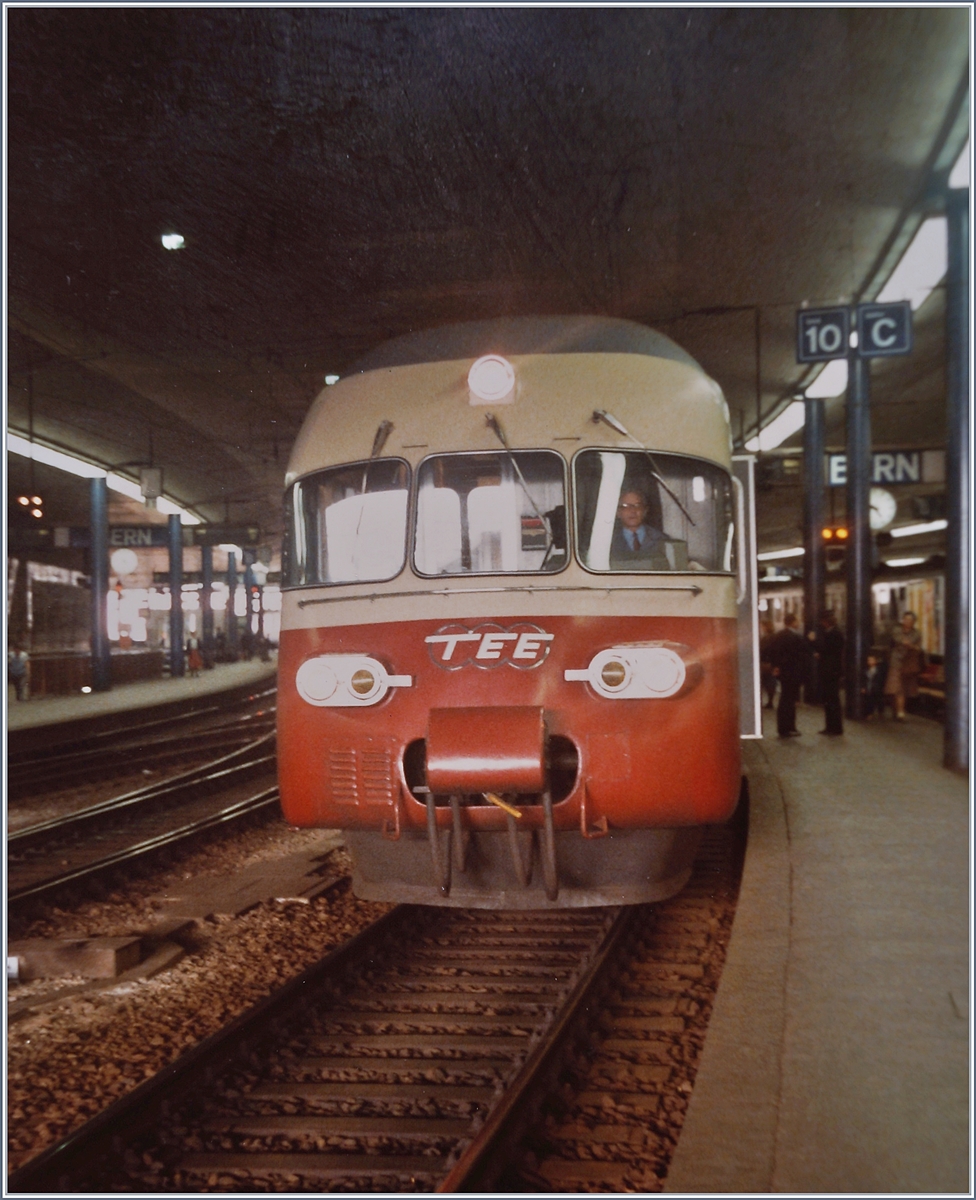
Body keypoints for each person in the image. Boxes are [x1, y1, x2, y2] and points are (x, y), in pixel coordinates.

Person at [767, 612, 807, 737]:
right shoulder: (796, 637)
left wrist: (776, 666)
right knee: (790, 701)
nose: (799, 623)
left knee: (785, 699)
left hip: (784, 672)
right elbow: (801, 655)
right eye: (797, 621)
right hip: (793, 672)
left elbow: (772, 652)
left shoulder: (779, 635)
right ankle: (789, 727)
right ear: (793, 622)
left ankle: (783, 727)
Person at [609, 489, 669, 570]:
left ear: (645, 511)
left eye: (637, 505)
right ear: (618, 512)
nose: (633, 511)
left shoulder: (662, 540)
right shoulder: (608, 542)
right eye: (626, 506)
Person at [884, 610, 924, 721]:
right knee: (896, 688)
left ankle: (898, 710)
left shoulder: (917, 633)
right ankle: (899, 711)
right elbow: (899, 640)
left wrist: (910, 645)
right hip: (896, 662)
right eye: (905, 619)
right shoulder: (897, 630)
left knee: (904, 688)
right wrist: (909, 644)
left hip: (909, 664)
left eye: (910, 620)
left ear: (914, 621)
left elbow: (917, 647)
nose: (907, 622)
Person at [813, 610, 845, 735]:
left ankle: (833, 727)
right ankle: (833, 726)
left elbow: (826, 650)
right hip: (833, 670)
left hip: (829, 670)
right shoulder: (836, 633)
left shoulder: (832, 634)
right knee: (832, 699)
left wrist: (813, 643)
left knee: (830, 699)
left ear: (826, 622)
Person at [759, 619, 777, 709]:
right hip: (772, 663)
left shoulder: (765, 638)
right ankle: (770, 701)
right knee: (771, 683)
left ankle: (762, 701)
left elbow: (762, 650)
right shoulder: (775, 637)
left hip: (765, 663)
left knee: (763, 682)